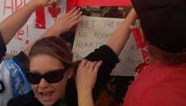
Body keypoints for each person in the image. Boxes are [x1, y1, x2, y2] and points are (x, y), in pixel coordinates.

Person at [8, 9, 137, 106]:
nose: (42, 84)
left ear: (69, 72)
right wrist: (84, 91)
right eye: (34, 77)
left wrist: (135, 10)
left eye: (53, 76)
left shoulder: (80, 77)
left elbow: (111, 49)